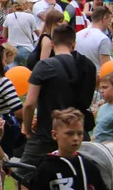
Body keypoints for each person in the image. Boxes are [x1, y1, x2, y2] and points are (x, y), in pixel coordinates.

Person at [22, 24, 85, 173]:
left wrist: (28, 127)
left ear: (51, 44)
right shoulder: (86, 65)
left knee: (23, 173)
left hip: (47, 131)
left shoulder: (44, 66)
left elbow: (29, 103)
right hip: (78, 130)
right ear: (73, 44)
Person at [75, 6, 113, 72]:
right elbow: (106, 67)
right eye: (109, 20)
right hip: (96, 76)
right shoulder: (103, 39)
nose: (109, 24)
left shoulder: (77, 35)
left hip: (79, 75)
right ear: (104, 18)